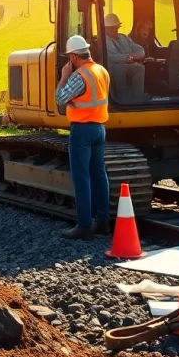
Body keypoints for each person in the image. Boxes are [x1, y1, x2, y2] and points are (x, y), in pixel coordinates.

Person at [54, 35, 111, 240]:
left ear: (73, 57)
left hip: (82, 129)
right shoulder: (101, 71)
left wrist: (64, 76)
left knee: (82, 177)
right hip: (99, 128)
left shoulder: (80, 75)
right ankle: (103, 222)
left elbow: (60, 99)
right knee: (99, 174)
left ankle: (85, 226)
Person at [103, 13, 146, 102]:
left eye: (117, 27)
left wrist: (136, 55)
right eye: (112, 28)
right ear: (106, 29)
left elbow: (139, 49)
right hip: (111, 68)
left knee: (140, 66)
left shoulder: (123, 38)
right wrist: (127, 58)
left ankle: (137, 96)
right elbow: (109, 57)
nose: (115, 30)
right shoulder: (103, 41)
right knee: (138, 69)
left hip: (127, 65)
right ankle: (131, 99)